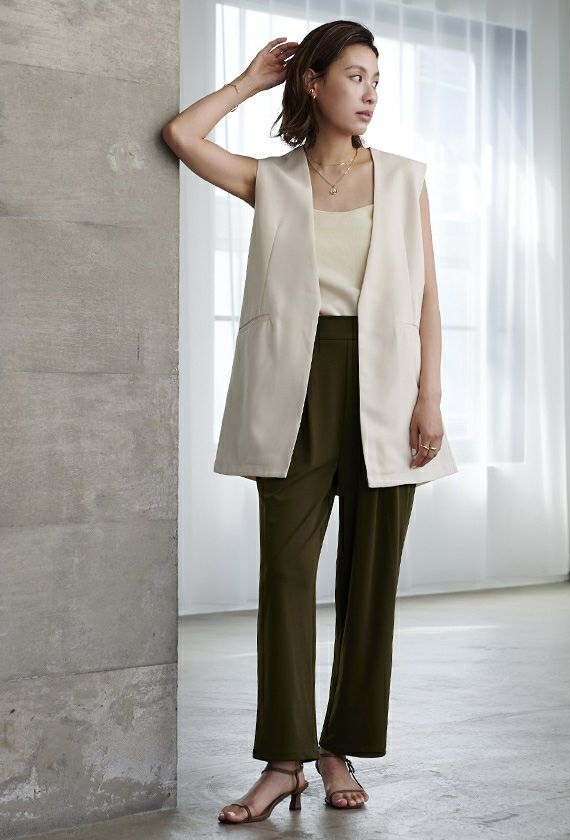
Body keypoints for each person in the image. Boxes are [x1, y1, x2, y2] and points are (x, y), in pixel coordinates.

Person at [162, 18, 456, 825]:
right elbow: (182, 136)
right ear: (315, 83)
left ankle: (338, 750)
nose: (370, 93)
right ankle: (284, 760)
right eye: (354, 76)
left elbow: (428, 296)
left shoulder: (404, 178)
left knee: (371, 580)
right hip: (293, 388)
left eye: (377, 80)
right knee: (286, 575)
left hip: (388, 388)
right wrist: (250, 81)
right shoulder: (274, 179)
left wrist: (430, 397)